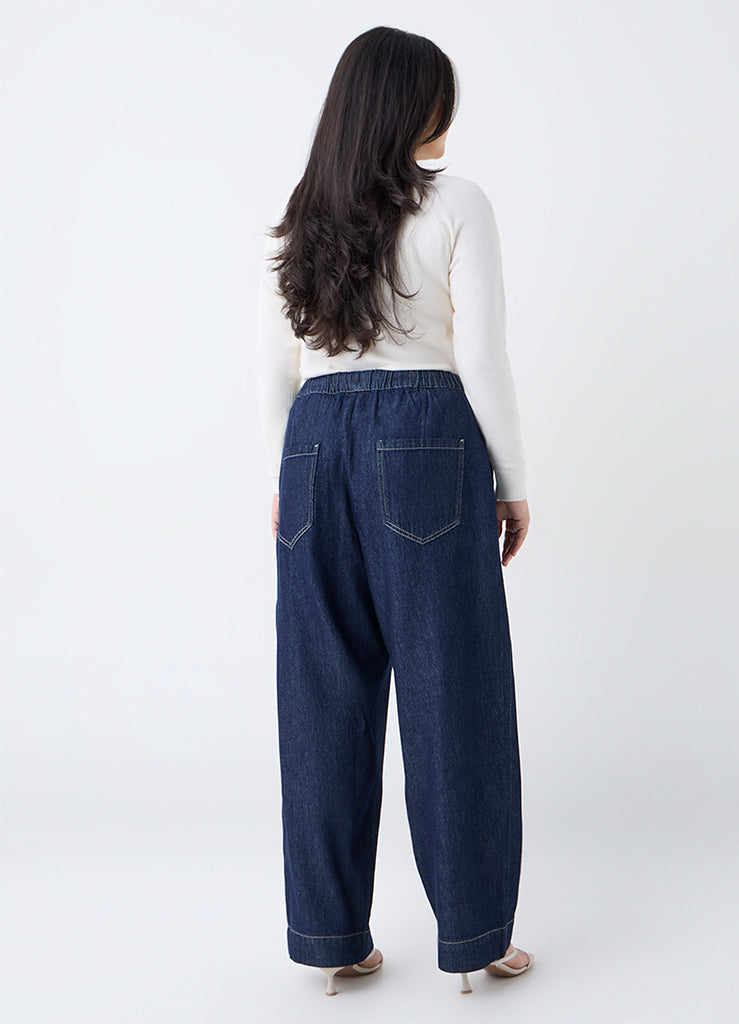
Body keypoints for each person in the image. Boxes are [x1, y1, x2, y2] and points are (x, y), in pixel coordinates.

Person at [256, 25, 534, 997]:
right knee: (452, 685)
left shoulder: (304, 212)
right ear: (412, 104)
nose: (446, 112)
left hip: (313, 443)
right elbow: (482, 355)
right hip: (425, 440)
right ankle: (475, 936)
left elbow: (278, 363)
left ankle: (330, 937)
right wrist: (511, 478)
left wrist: (287, 474)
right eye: (438, 95)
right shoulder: (458, 202)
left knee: (321, 693)